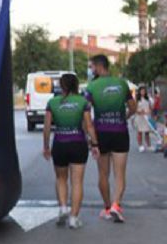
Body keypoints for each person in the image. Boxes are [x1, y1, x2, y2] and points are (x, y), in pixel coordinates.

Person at [42, 72, 99, 229]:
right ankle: (74, 218)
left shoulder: (52, 102)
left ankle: (62, 208)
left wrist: (46, 146)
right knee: (77, 182)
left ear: (62, 86)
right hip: (78, 144)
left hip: (59, 144)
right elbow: (89, 126)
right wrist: (95, 145)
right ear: (75, 85)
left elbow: (47, 127)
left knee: (61, 178)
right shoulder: (82, 102)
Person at [85, 54, 135, 223]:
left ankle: (107, 207)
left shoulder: (92, 87)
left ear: (99, 67)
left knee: (103, 174)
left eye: (92, 67)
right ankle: (116, 204)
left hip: (101, 133)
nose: (91, 70)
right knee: (119, 174)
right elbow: (133, 107)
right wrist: (124, 117)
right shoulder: (122, 84)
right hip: (120, 131)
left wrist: (90, 135)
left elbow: (86, 113)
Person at [134, 85, 153, 152]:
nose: (143, 92)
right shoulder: (137, 99)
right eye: (141, 91)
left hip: (147, 117)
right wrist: (139, 111)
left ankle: (149, 145)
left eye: (144, 91)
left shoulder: (148, 99)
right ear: (139, 92)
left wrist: (149, 111)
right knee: (140, 132)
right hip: (140, 117)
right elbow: (135, 109)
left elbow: (150, 108)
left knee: (147, 132)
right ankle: (140, 145)